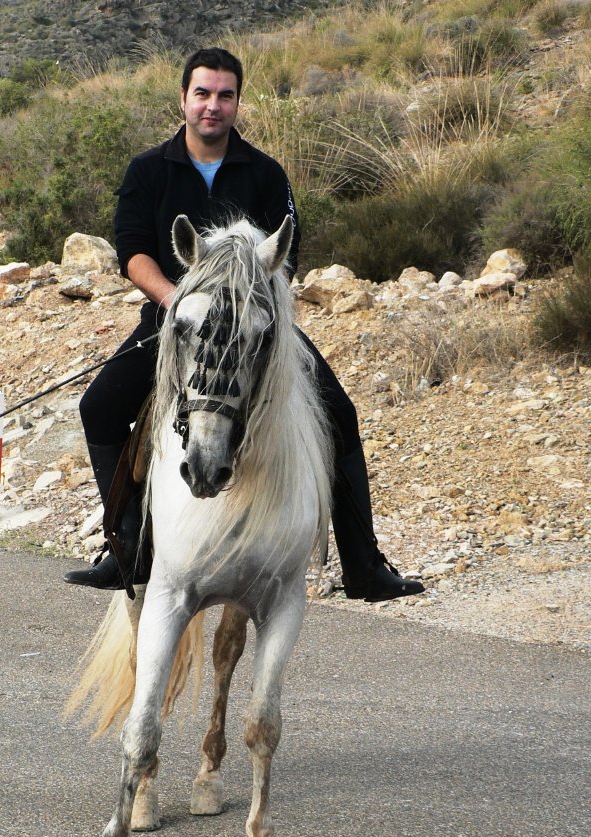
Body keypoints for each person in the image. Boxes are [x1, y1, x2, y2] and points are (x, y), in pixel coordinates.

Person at [64, 47, 423, 603]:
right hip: (174, 320)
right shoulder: (148, 171)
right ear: (183, 99)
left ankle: (363, 566)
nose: (213, 106)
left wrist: (245, 311)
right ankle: (127, 548)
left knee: (340, 415)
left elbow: (286, 254)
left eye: (224, 95)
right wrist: (178, 301)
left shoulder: (265, 173)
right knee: (100, 407)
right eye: (202, 94)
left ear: (237, 102)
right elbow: (133, 253)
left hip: (256, 329)